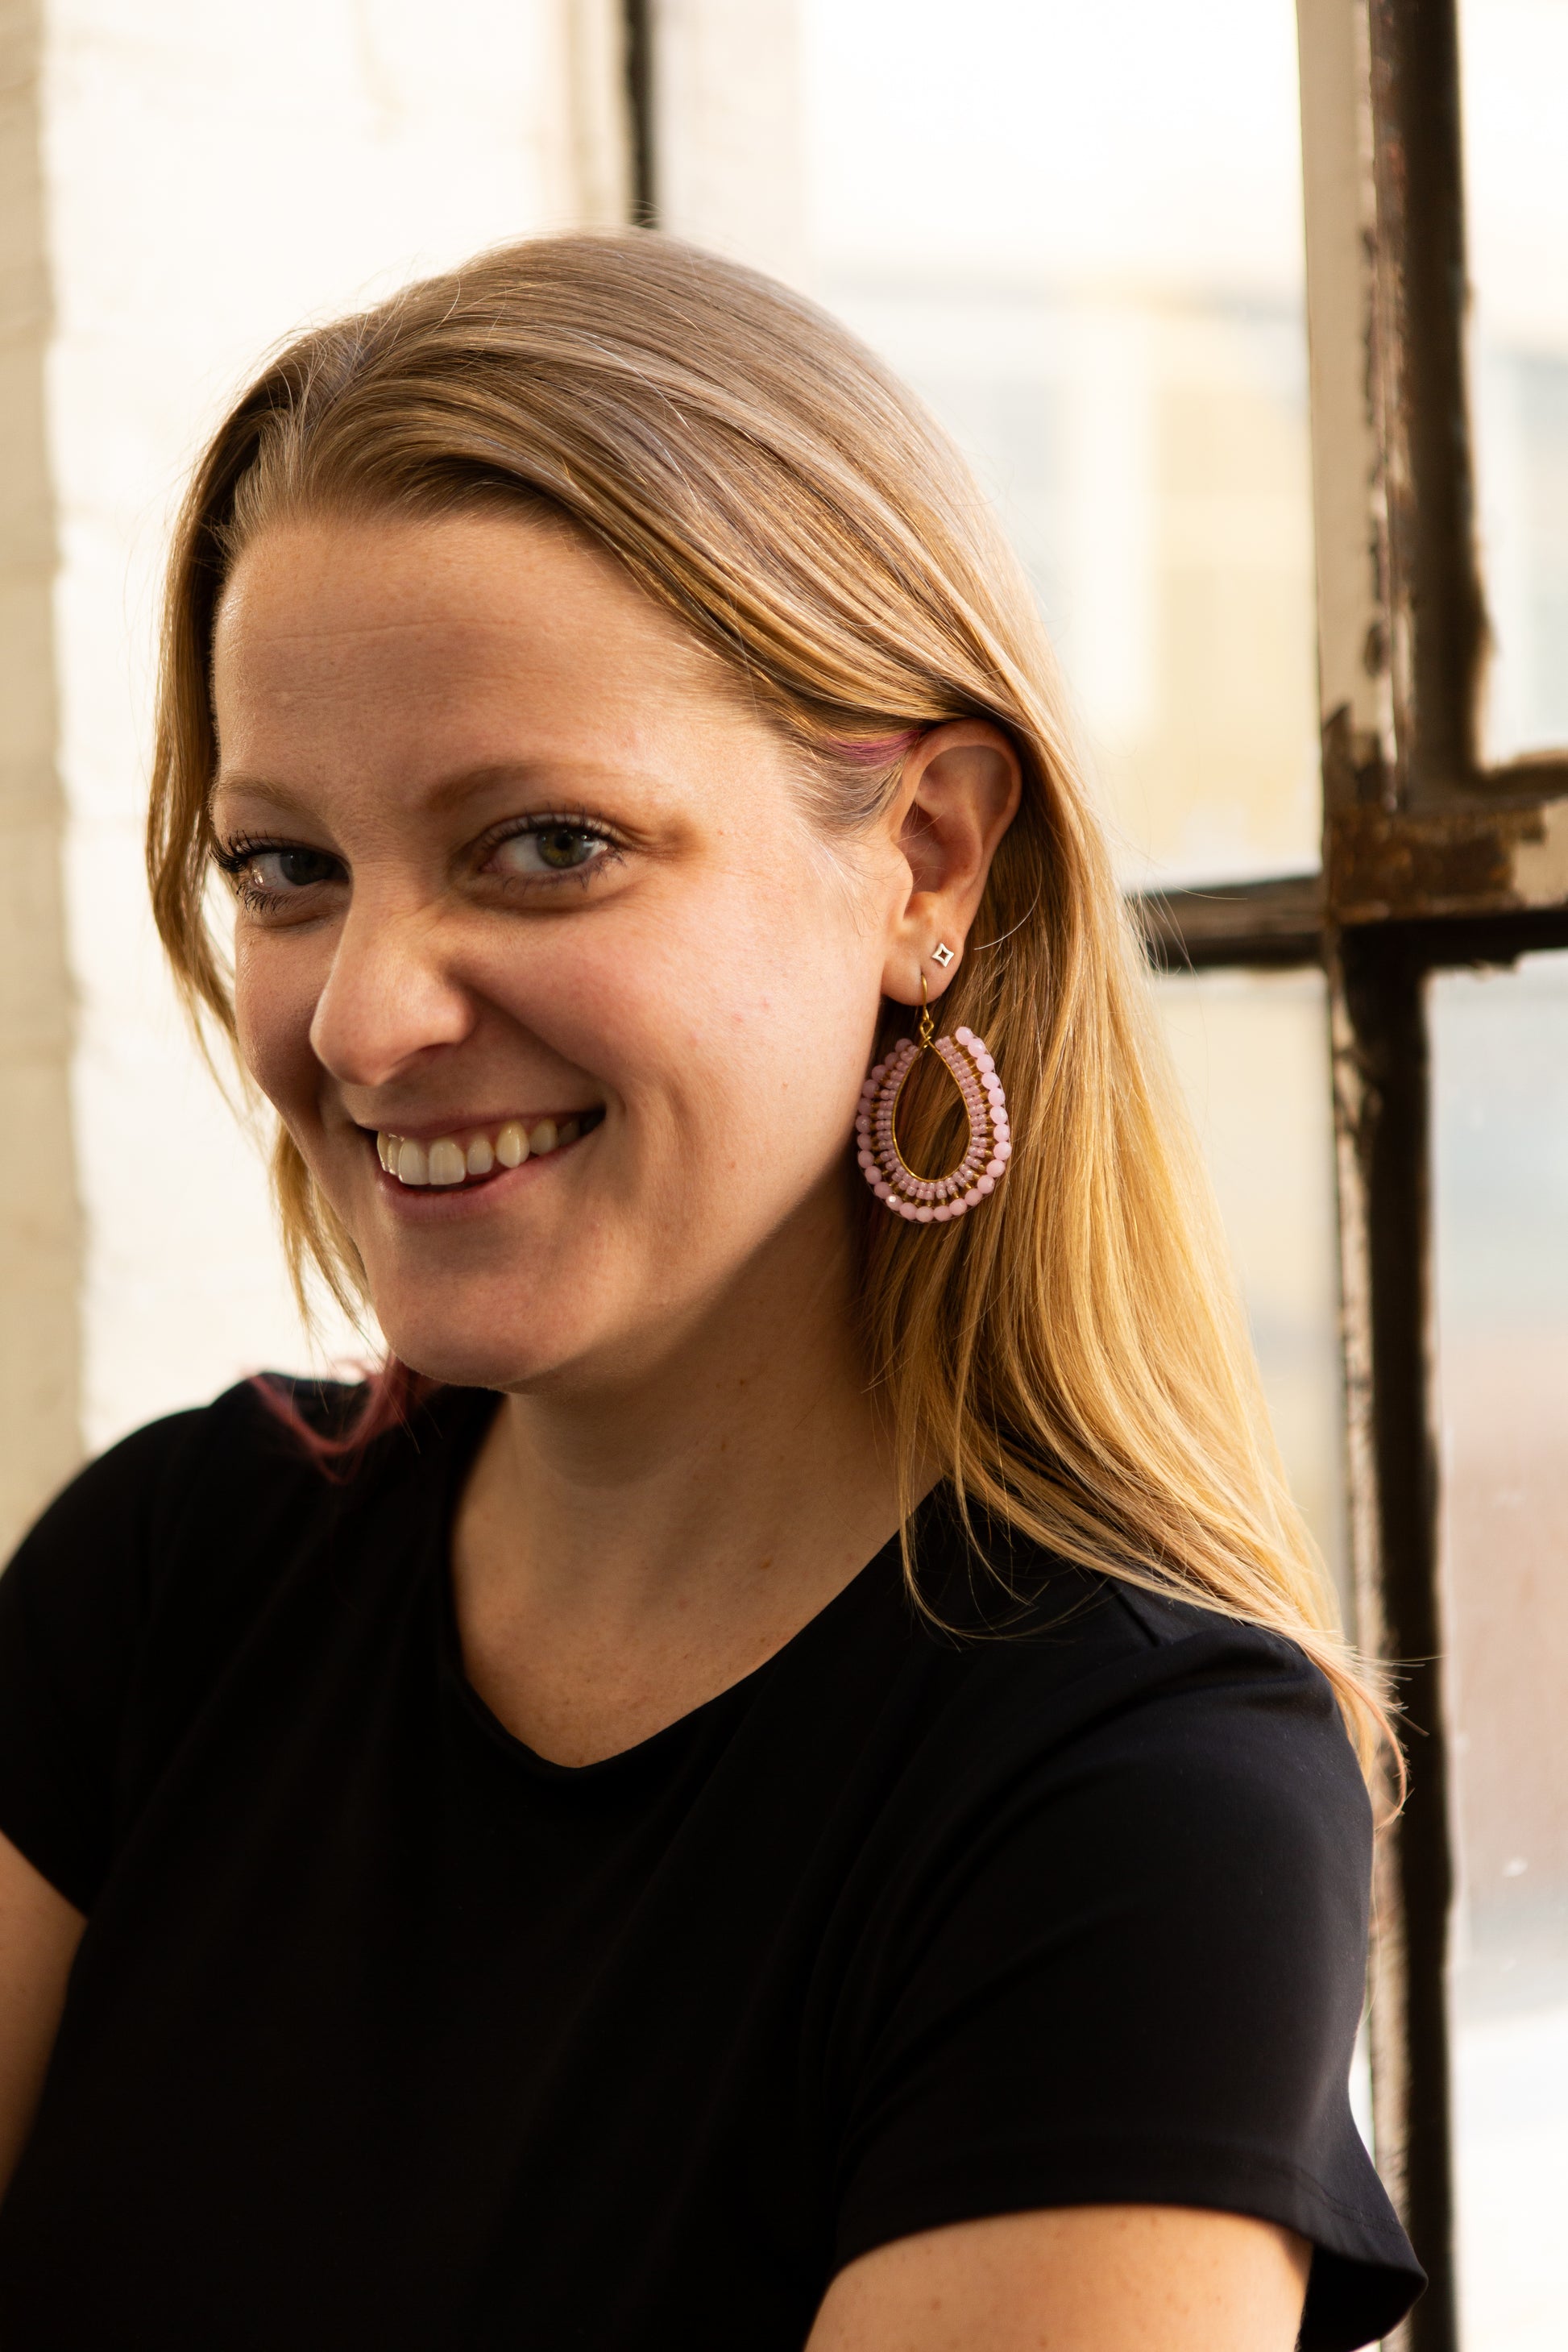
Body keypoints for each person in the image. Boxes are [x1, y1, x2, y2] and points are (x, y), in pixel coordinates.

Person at [0, 233, 1421, 2350]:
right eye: (287, 867)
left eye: (546, 844)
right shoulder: (173, 1576)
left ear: (926, 860)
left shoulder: (1130, 1810)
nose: (365, 1018)